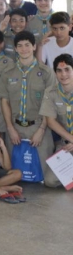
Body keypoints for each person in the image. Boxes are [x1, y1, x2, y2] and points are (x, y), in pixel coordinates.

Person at [0, 31, 55, 179]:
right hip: (15, 128)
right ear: (15, 49)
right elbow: (5, 101)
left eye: (27, 45)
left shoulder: (46, 72)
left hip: (38, 126)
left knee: (45, 177)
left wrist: (41, 130)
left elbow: (50, 104)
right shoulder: (7, 73)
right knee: (13, 174)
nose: (24, 49)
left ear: (34, 47)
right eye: (20, 46)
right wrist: (10, 129)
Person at [39, 54, 73, 188]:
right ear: (55, 72)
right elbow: (51, 121)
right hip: (66, 144)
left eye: (67, 70)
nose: (63, 74)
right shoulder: (51, 92)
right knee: (50, 181)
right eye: (59, 70)